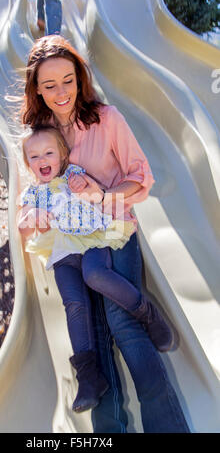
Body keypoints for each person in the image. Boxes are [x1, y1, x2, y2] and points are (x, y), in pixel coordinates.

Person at [18, 34, 190, 433]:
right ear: (37, 90)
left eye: (68, 80)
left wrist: (103, 195)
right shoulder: (37, 136)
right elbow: (31, 195)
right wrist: (32, 217)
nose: (61, 92)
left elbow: (141, 178)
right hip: (68, 243)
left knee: (121, 321)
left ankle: (167, 427)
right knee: (90, 334)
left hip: (111, 229)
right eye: (49, 85)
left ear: (80, 78)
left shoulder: (106, 119)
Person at [17, 125, 174, 412]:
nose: (42, 160)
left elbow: (97, 194)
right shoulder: (32, 195)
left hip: (91, 239)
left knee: (96, 274)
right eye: (34, 156)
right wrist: (32, 217)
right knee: (74, 304)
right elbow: (23, 225)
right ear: (27, 162)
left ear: (62, 154)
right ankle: (88, 377)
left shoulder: (73, 174)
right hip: (63, 253)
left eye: (49, 153)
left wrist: (86, 188)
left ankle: (146, 313)